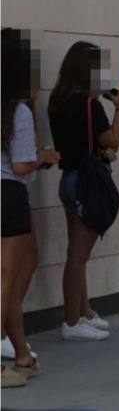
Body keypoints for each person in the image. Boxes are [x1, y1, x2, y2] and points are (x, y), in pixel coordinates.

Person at [48, 42, 119, 341]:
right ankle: (71, 321)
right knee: (78, 256)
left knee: (76, 252)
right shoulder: (91, 105)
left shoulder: (57, 100)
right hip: (87, 183)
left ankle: (85, 311)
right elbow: (112, 141)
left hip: (69, 179)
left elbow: (81, 142)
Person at [1, 28, 60, 387]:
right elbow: (22, 165)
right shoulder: (16, 111)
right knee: (7, 280)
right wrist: (46, 157)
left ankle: (21, 353)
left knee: (8, 279)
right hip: (8, 195)